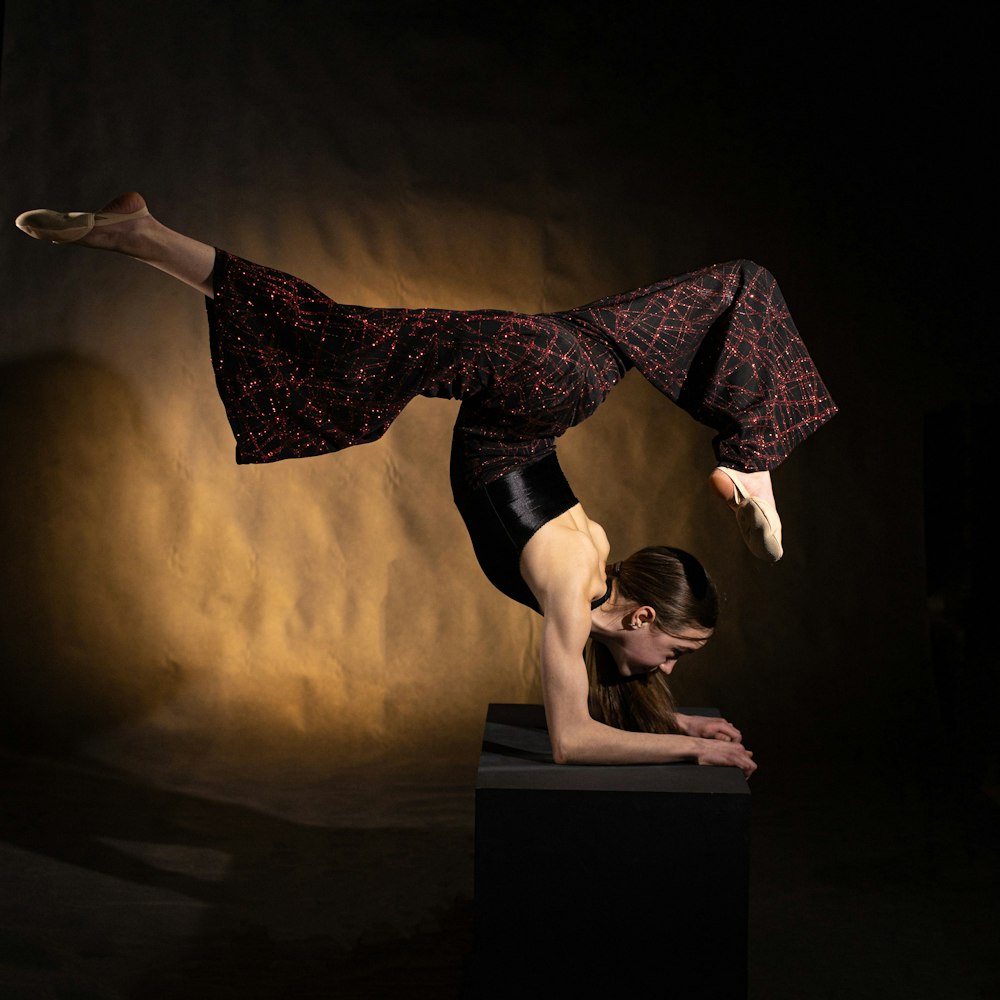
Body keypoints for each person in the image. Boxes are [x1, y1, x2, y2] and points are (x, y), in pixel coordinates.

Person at [14, 193, 838, 777]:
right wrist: (690, 744)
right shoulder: (568, 582)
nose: (669, 667)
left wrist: (681, 723)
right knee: (338, 343)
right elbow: (572, 742)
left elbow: (604, 707)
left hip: (557, 375)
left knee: (740, 282)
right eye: (678, 653)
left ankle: (145, 231)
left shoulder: (595, 560)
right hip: (542, 378)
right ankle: (751, 454)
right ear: (647, 615)